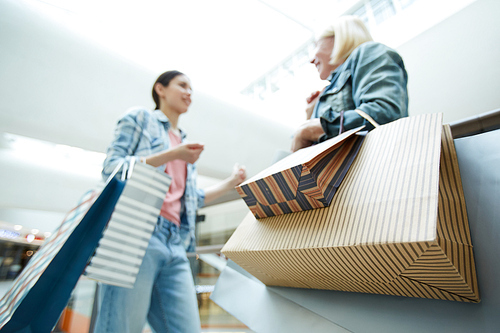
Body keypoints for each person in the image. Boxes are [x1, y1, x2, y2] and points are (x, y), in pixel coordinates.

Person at [94, 70, 246, 333]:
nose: (189, 92)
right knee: (120, 327)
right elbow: (112, 168)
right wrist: (171, 154)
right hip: (134, 231)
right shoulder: (141, 119)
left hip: (175, 242)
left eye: (192, 89)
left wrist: (231, 182)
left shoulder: (184, 142)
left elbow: (192, 199)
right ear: (160, 89)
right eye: (182, 85)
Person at [292, 15, 408, 152]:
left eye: (316, 45)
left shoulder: (368, 51)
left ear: (338, 37)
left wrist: (308, 129)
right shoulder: (329, 88)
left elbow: (385, 114)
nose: (311, 60)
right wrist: (310, 114)